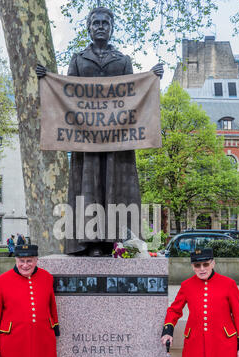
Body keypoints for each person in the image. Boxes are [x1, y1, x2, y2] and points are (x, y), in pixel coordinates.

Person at [36, 6, 164, 257]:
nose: (101, 27)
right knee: (90, 187)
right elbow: (67, 94)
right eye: (96, 23)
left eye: (106, 23)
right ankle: (90, 242)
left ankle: (114, 241)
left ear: (112, 28)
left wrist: (151, 76)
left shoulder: (123, 60)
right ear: (89, 28)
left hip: (118, 141)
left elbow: (133, 94)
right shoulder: (78, 59)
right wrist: (48, 79)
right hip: (87, 142)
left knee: (116, 187)